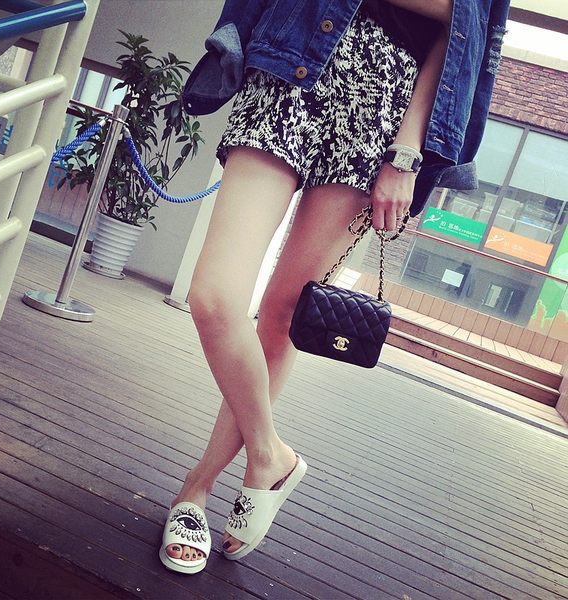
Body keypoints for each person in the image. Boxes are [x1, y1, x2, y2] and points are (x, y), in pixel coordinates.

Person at [159, 0, 510, 574]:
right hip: (288, 68)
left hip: (380, 97)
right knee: (215, 297)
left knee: (283, 318)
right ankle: (270, 456)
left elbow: (461, 26)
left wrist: (406, 154)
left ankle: (196, 490)